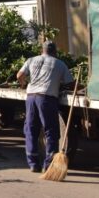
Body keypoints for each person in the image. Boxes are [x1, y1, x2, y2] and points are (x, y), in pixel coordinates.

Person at [16, 40, 74, 173]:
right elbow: (70, 83)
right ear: (55, 52)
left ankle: (33, 164)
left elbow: (19, 75)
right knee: (51, 131)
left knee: (31, 129)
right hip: (46, 98)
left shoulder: (31, 60)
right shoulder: (60, 64)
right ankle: (48, 164)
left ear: (41, 50)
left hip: (31, 97)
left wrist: (23, 84)